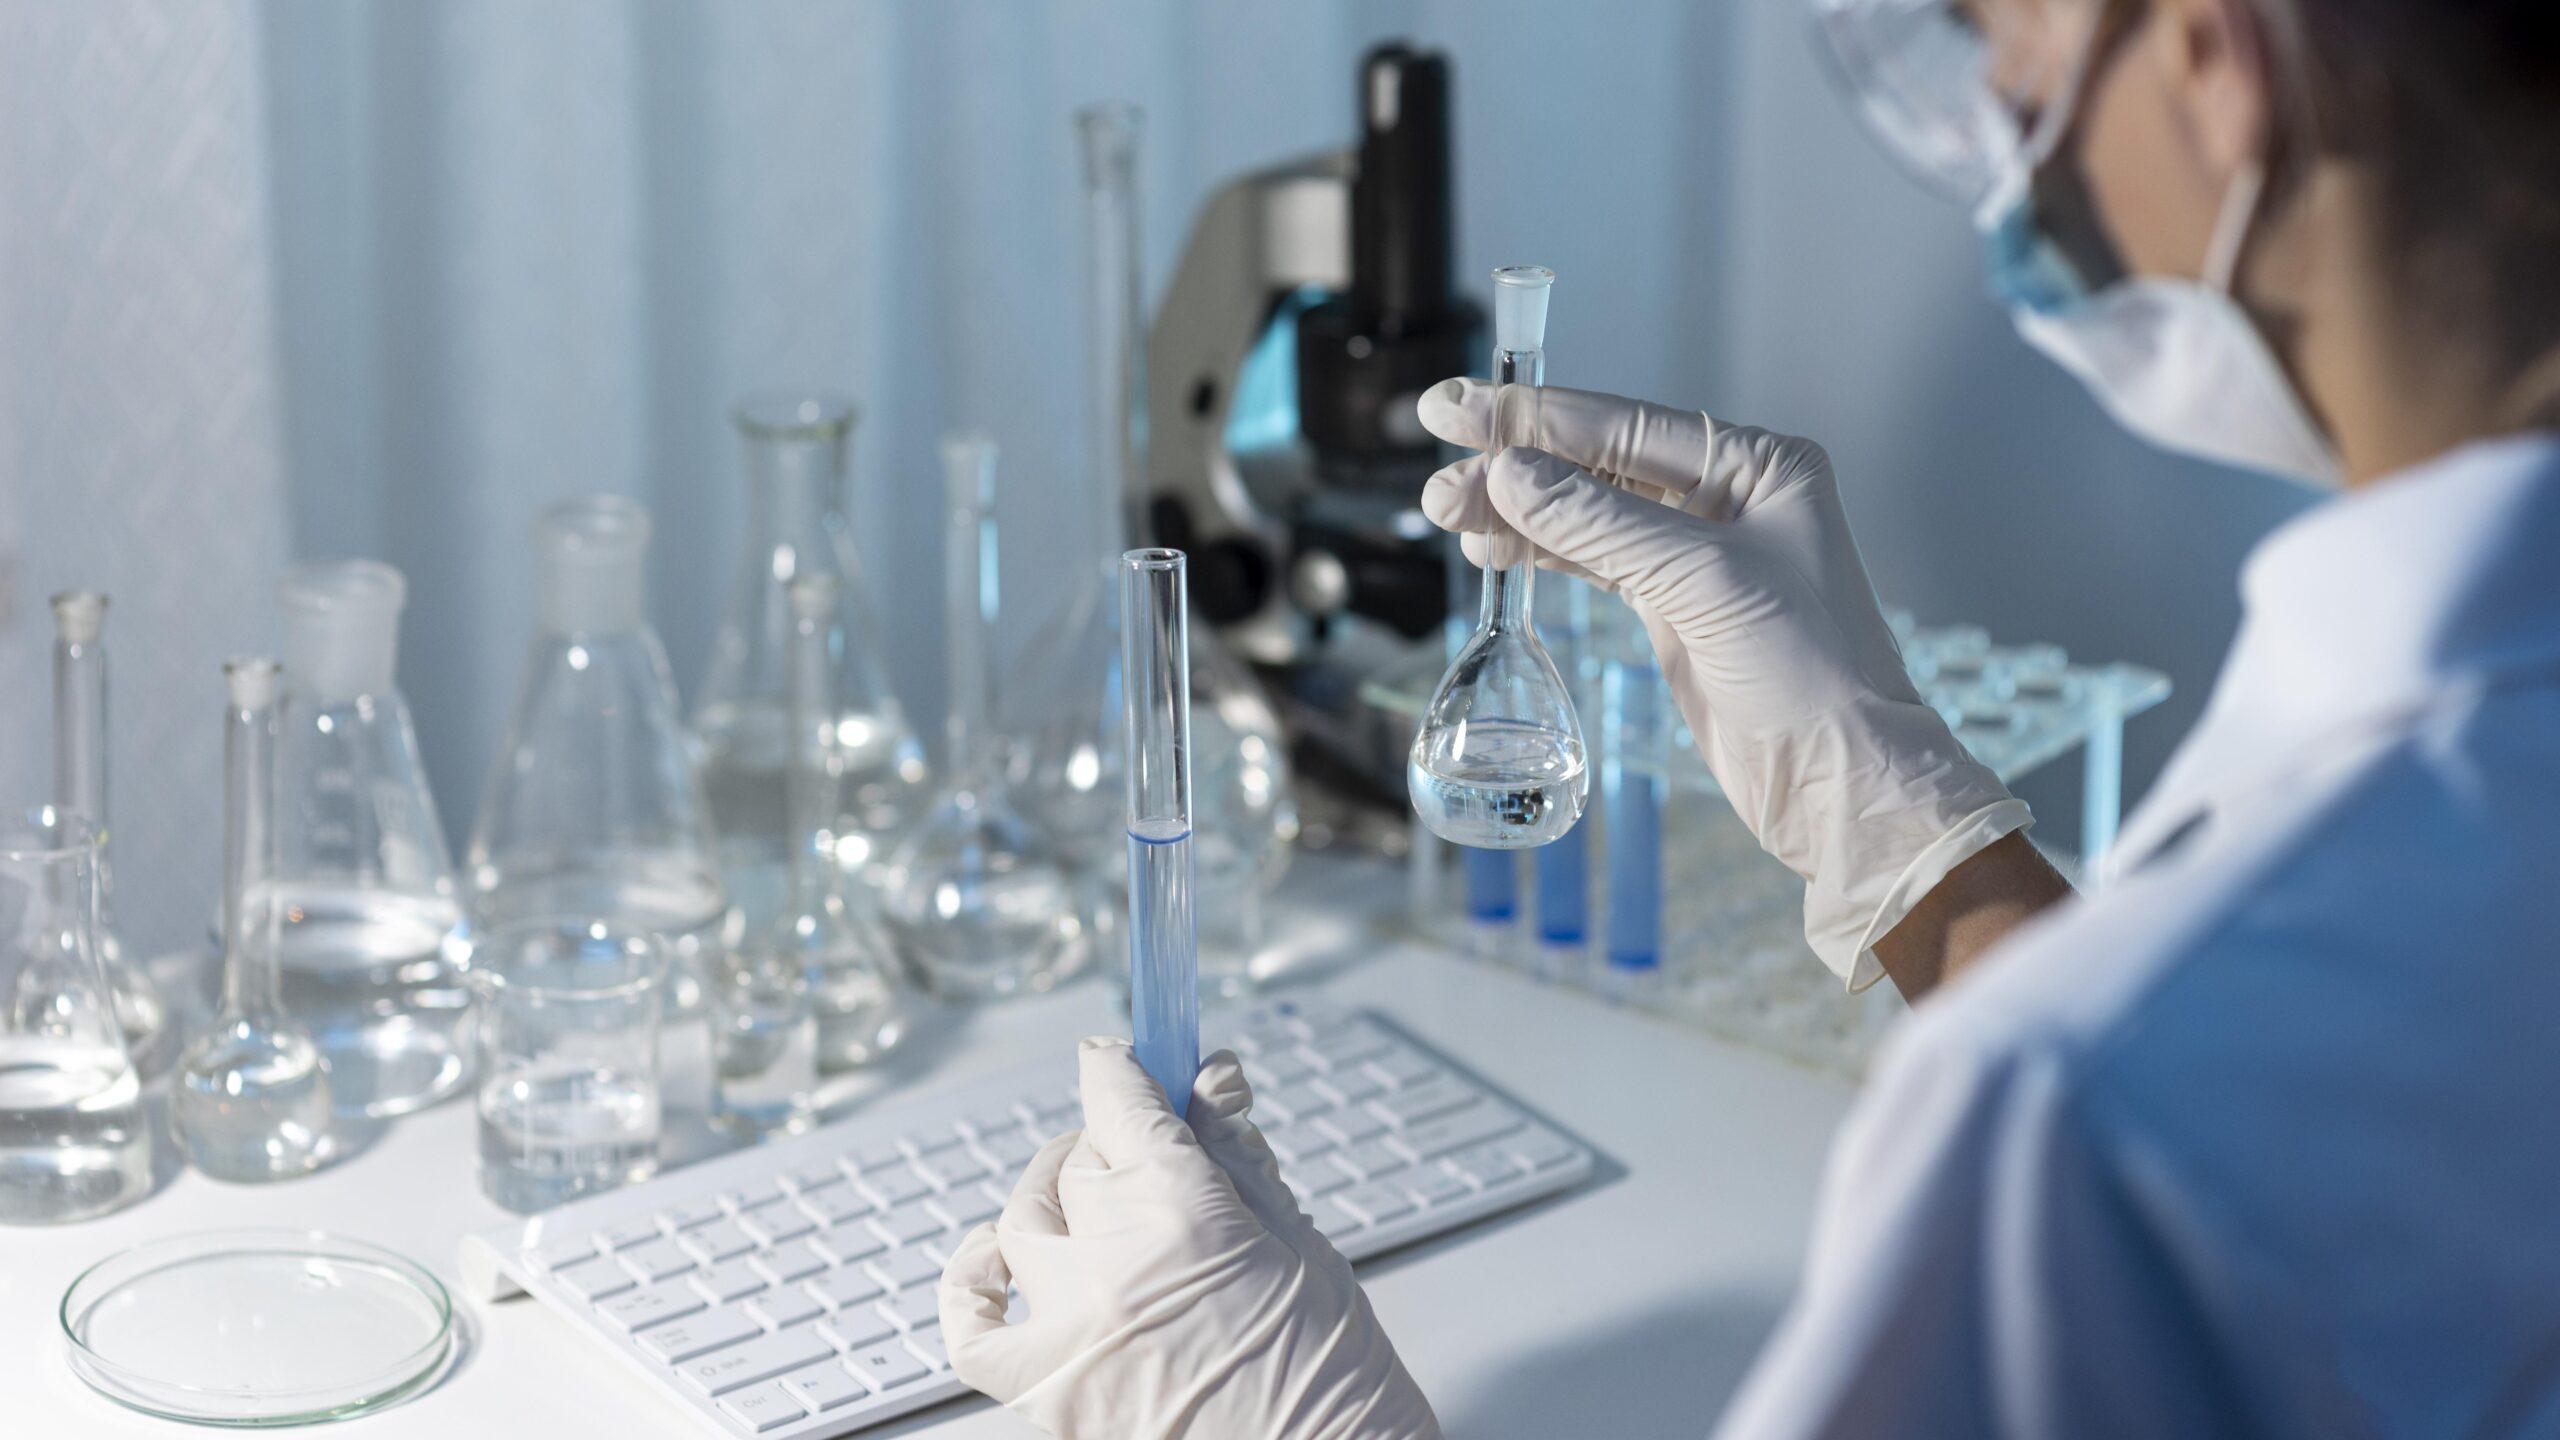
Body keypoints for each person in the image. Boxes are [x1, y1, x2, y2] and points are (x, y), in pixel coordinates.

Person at [939, 0, 2560, 1433]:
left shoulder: (2066, 1102)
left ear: (2217, 56)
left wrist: (1266, 1411)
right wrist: (1927, 855)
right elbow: (2301, 1201)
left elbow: (2157, 1115)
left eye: (2007, 33)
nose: (1997, 101)